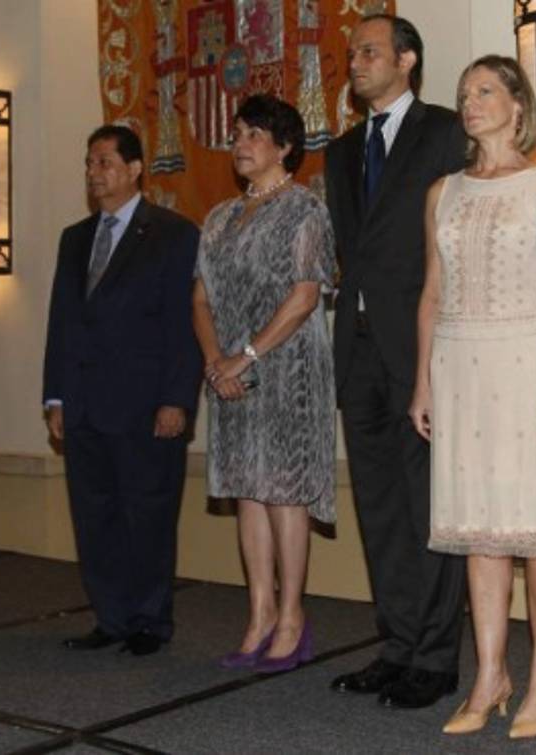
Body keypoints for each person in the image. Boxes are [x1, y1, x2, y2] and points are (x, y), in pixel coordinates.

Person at [411, 55, 536, 739]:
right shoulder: (442, 191)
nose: (471, 101)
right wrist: (423, 378)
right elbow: (430, 292)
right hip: (459, 364)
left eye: (485, 90)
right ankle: (489, 674)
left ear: (517, 104)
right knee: (480, 529)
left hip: (526, 361)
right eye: (464, 93)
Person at [323, 13, 468, 708]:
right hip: (356, 355)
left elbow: (456, 247)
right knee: (379, 510)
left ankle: (437, 658)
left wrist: (443, 356)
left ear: (407, 60)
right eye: (352, 52)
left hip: (420, 354)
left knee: (428, 510)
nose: (356, 61)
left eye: (370, 51)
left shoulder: (443, 132)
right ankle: (399, 644)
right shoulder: (341, 152)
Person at [42, 125, 201, 657]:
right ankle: (109, 617)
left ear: (135, 170)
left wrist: (178, 399)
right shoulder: (74, 238)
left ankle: (149, 622)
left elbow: (184, 325)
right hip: (84, 405)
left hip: (146, 407)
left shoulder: (174, 234)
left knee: (147, 516)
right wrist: (56, 397)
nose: (94, 172)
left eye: (105, 161)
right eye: (89, 162)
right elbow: (62, 321)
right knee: (95, 517)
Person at [192, 94, 336, 674]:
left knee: (281, 490)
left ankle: (293, 617)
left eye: (255, 134)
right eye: (238, 132)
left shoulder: (305, 208)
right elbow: (199, 297)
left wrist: (245, 356)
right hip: (228, 375)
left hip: (287, 370)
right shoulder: (220, 217)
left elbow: (305, 296)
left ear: (284, 147)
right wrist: (215, 361)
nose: (241, 142)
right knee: (246, 491)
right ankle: (258, 613)